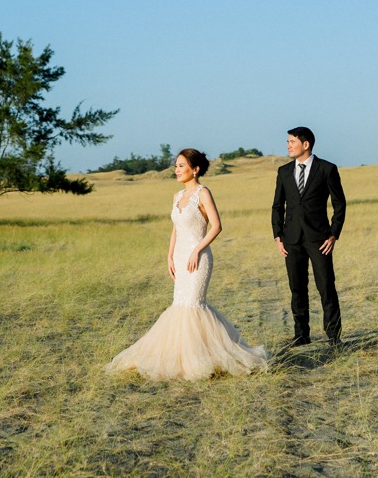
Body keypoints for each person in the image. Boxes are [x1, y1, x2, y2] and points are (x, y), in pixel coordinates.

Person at [106, 148, 267, 380]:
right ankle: (182, 358)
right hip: (180, 258)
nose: (177, 170)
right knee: (179, 305)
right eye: (176, 166)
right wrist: (170, 256)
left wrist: (197, 249)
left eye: (182, 166)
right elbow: (176, 229)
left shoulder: (203, 193)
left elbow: (216, 226)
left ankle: (205, 359)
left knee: (193, 305)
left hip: (198, 258)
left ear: (196, 169)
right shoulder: (176, 196)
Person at [271, 126, 346, 348]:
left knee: (326, 286)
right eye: (287, 142)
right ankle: (301, 335)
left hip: (319, 239)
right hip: (291, 239)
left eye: (292, 141)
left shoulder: (327, 169)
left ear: (306, 144)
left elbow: (339, 204)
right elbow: (277, 206)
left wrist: (333, 234)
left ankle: (334, 336)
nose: (288, 145)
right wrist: (278, 236)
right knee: (297, 288)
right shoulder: (283, 172)